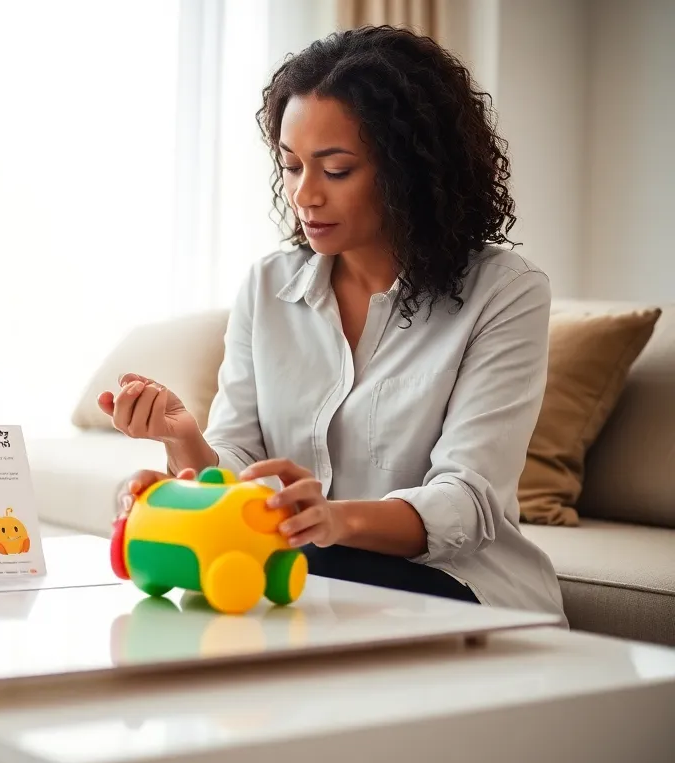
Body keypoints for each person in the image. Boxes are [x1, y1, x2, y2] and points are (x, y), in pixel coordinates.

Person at [98, 25, 565, 620]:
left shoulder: (504, 293)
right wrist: (183, 444)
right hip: (307, 564)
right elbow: (239, 464)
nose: (304, 195)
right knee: (224, 585)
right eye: (291, 167)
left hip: (463, 585)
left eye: (336, 170)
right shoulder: (268, 287)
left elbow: (467, 502)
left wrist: (331, 520)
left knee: (286, 579)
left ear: (410, 173)